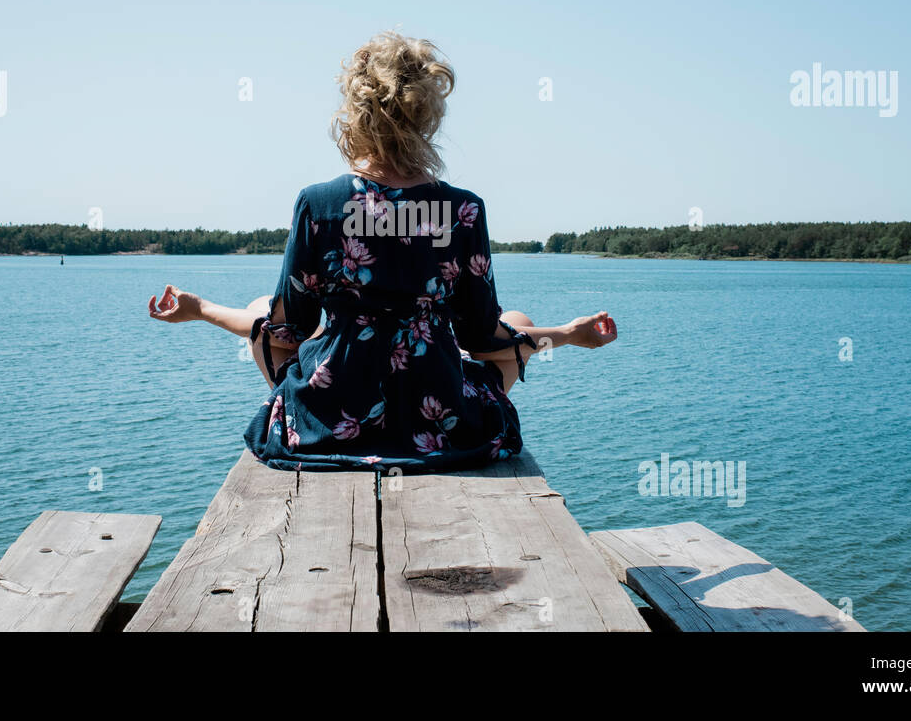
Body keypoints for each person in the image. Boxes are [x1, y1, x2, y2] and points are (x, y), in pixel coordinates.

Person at [149, 31, 616, 472]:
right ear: (428, 114)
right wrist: (571, 334)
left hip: (333, 423)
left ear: (356, 112)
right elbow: (483, 338)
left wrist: (202, 309)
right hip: (442, 422)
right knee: (520, 322)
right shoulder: (462, 209)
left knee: (259, 313)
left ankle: (314, 425)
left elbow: (287, 330)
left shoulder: (320, 204)